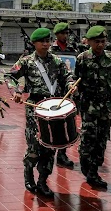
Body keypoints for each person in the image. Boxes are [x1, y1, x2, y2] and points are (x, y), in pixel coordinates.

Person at [9, 27, 76, 197]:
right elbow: (10, 76)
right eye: (42, 42)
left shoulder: (57, 61)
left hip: (54, 107)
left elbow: (67, 76)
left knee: (50, 146)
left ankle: (43, 181)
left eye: (48, 41)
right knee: (34, 146)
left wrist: (71, 85)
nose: (46, 44)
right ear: (34, 44)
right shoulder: (26, 61)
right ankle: (29, 175)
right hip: (35, 108)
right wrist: (16, 91)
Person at [75, 25, 111, 189]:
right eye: (97, 42)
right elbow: (75, 82)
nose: (101, 45)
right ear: (89, 42)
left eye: (103, 41)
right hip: (88, 107)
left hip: (106, 107)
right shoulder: (82, 58)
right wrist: (75, 103)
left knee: (102, 140)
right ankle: (85, 164)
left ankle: (93, 171)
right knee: (88, 138)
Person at [49, 22, 77, 168]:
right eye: (62, 33)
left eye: (67, 33)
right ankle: (49, 152)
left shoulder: (73, 49)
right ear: (57, 34)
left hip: (68, 89)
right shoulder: (51, 49)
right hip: (52, 90)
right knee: (52, 123)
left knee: (65, 122)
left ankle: (62, 154)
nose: (65, 36)